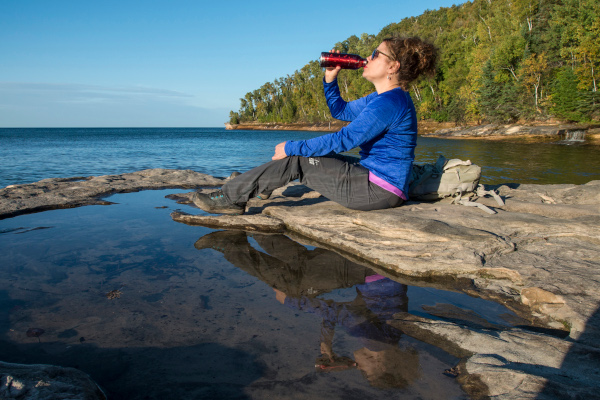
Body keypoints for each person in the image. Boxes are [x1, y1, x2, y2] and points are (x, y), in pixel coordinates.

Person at [193, 36, 438, 215]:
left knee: (297, 158)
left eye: (376, 54)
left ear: (393, 67)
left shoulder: (390, 102)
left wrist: (291, 146)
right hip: (373, 180)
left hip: (378, 190)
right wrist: (330, 80)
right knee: (311, 154)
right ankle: (256, 184)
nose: (368, 58)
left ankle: (230, 198)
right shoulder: (381, 99)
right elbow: (340, 111)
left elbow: (345, 139)